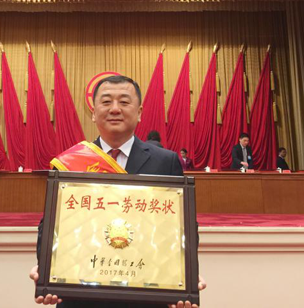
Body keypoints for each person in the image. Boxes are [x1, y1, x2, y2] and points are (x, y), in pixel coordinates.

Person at [30, 75, 206, 308]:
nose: (115, 109)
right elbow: (51, 225)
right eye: (106, 102)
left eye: (124, 102)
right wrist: (46, 268)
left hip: (145, 296)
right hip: (82, 295)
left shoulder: (166, 161)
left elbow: (181, 225)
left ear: (139, 112)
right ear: (93, 113)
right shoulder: (70, 163)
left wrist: (186, 274)